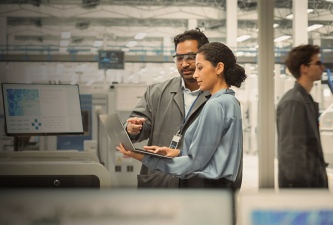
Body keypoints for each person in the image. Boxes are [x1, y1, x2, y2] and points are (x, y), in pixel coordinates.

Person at [119, 42, 247, 191]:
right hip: (221, 188)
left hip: (208, 190)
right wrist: (179, 152)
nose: (195, 74)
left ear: (219, 68)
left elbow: (194, 164)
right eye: (179, 58)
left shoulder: (214, 105)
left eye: (200, 67)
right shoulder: (230, 101)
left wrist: (142, 157)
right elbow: (215, 152)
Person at [124, 28, 210, 188]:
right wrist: (132, 129)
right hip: (160, 181)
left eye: (191, 57)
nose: (184, 64)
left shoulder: (217, 97)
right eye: (179, 58)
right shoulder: (156, 92)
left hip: (199, 184)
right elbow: (134, 127)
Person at [276, 44, 328, 188]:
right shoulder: (294, 103)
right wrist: (303, 195)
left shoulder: (305, 100)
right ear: (304, 68)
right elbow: (293, 154)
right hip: (303, 191)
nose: (322, 68)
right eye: (317, 63)